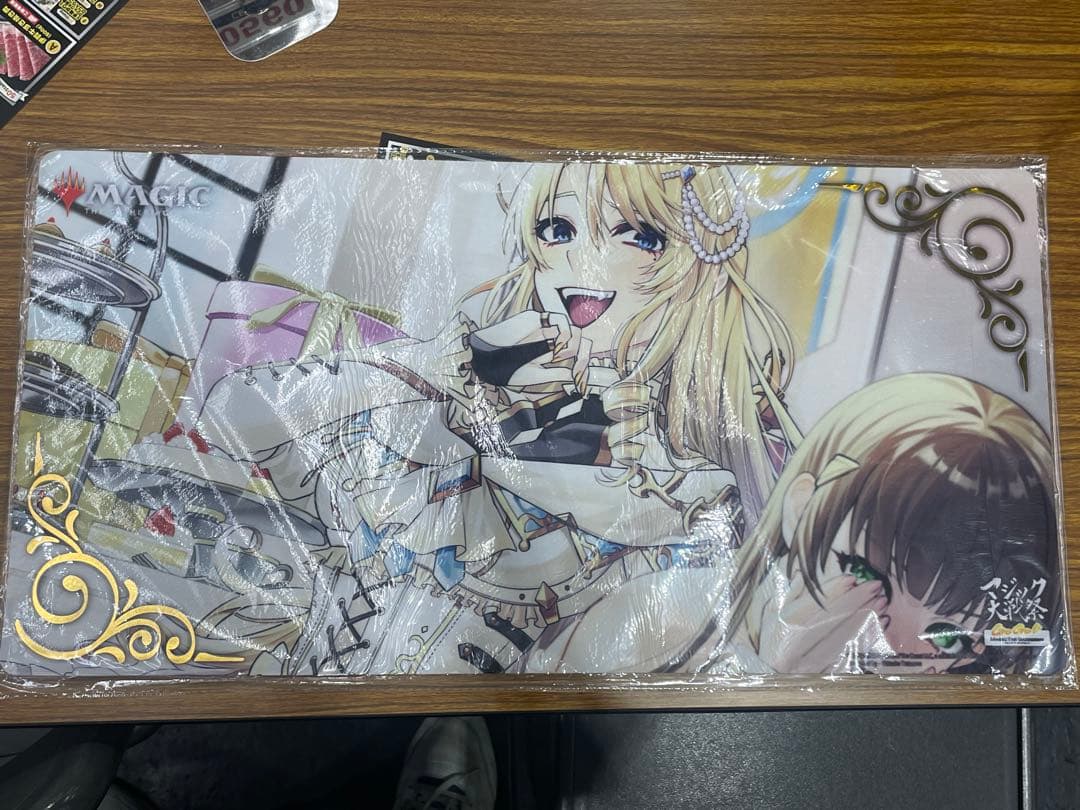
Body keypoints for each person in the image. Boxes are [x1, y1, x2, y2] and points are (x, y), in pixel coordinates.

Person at [194, 161, 799, 675]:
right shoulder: (458, 389)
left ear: (697, 265)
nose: (582, 259)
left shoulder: (689, 494)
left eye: (638, 237)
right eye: (558, 230)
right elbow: (231, 414)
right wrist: (441, 373)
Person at [528, 374, 1063, 675]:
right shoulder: (663, 619)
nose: (894, 646)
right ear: (801, 504)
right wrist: (780, 674)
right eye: (861, 578)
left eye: (947, 639)